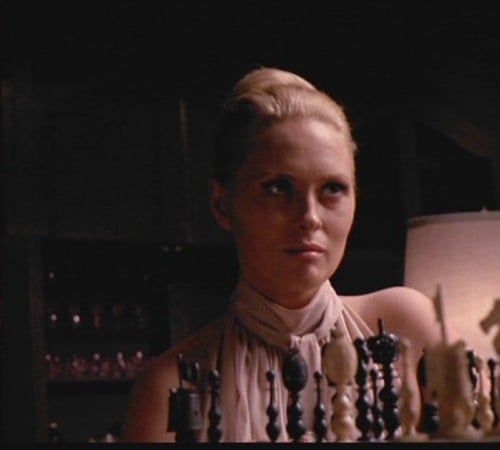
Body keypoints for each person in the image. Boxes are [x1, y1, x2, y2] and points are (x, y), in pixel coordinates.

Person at [120, 67, 444, 442]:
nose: (309, 217)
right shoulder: (170, 386)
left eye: (332, 189)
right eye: (277, 188)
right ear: (223, 205)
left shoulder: (408, 326)